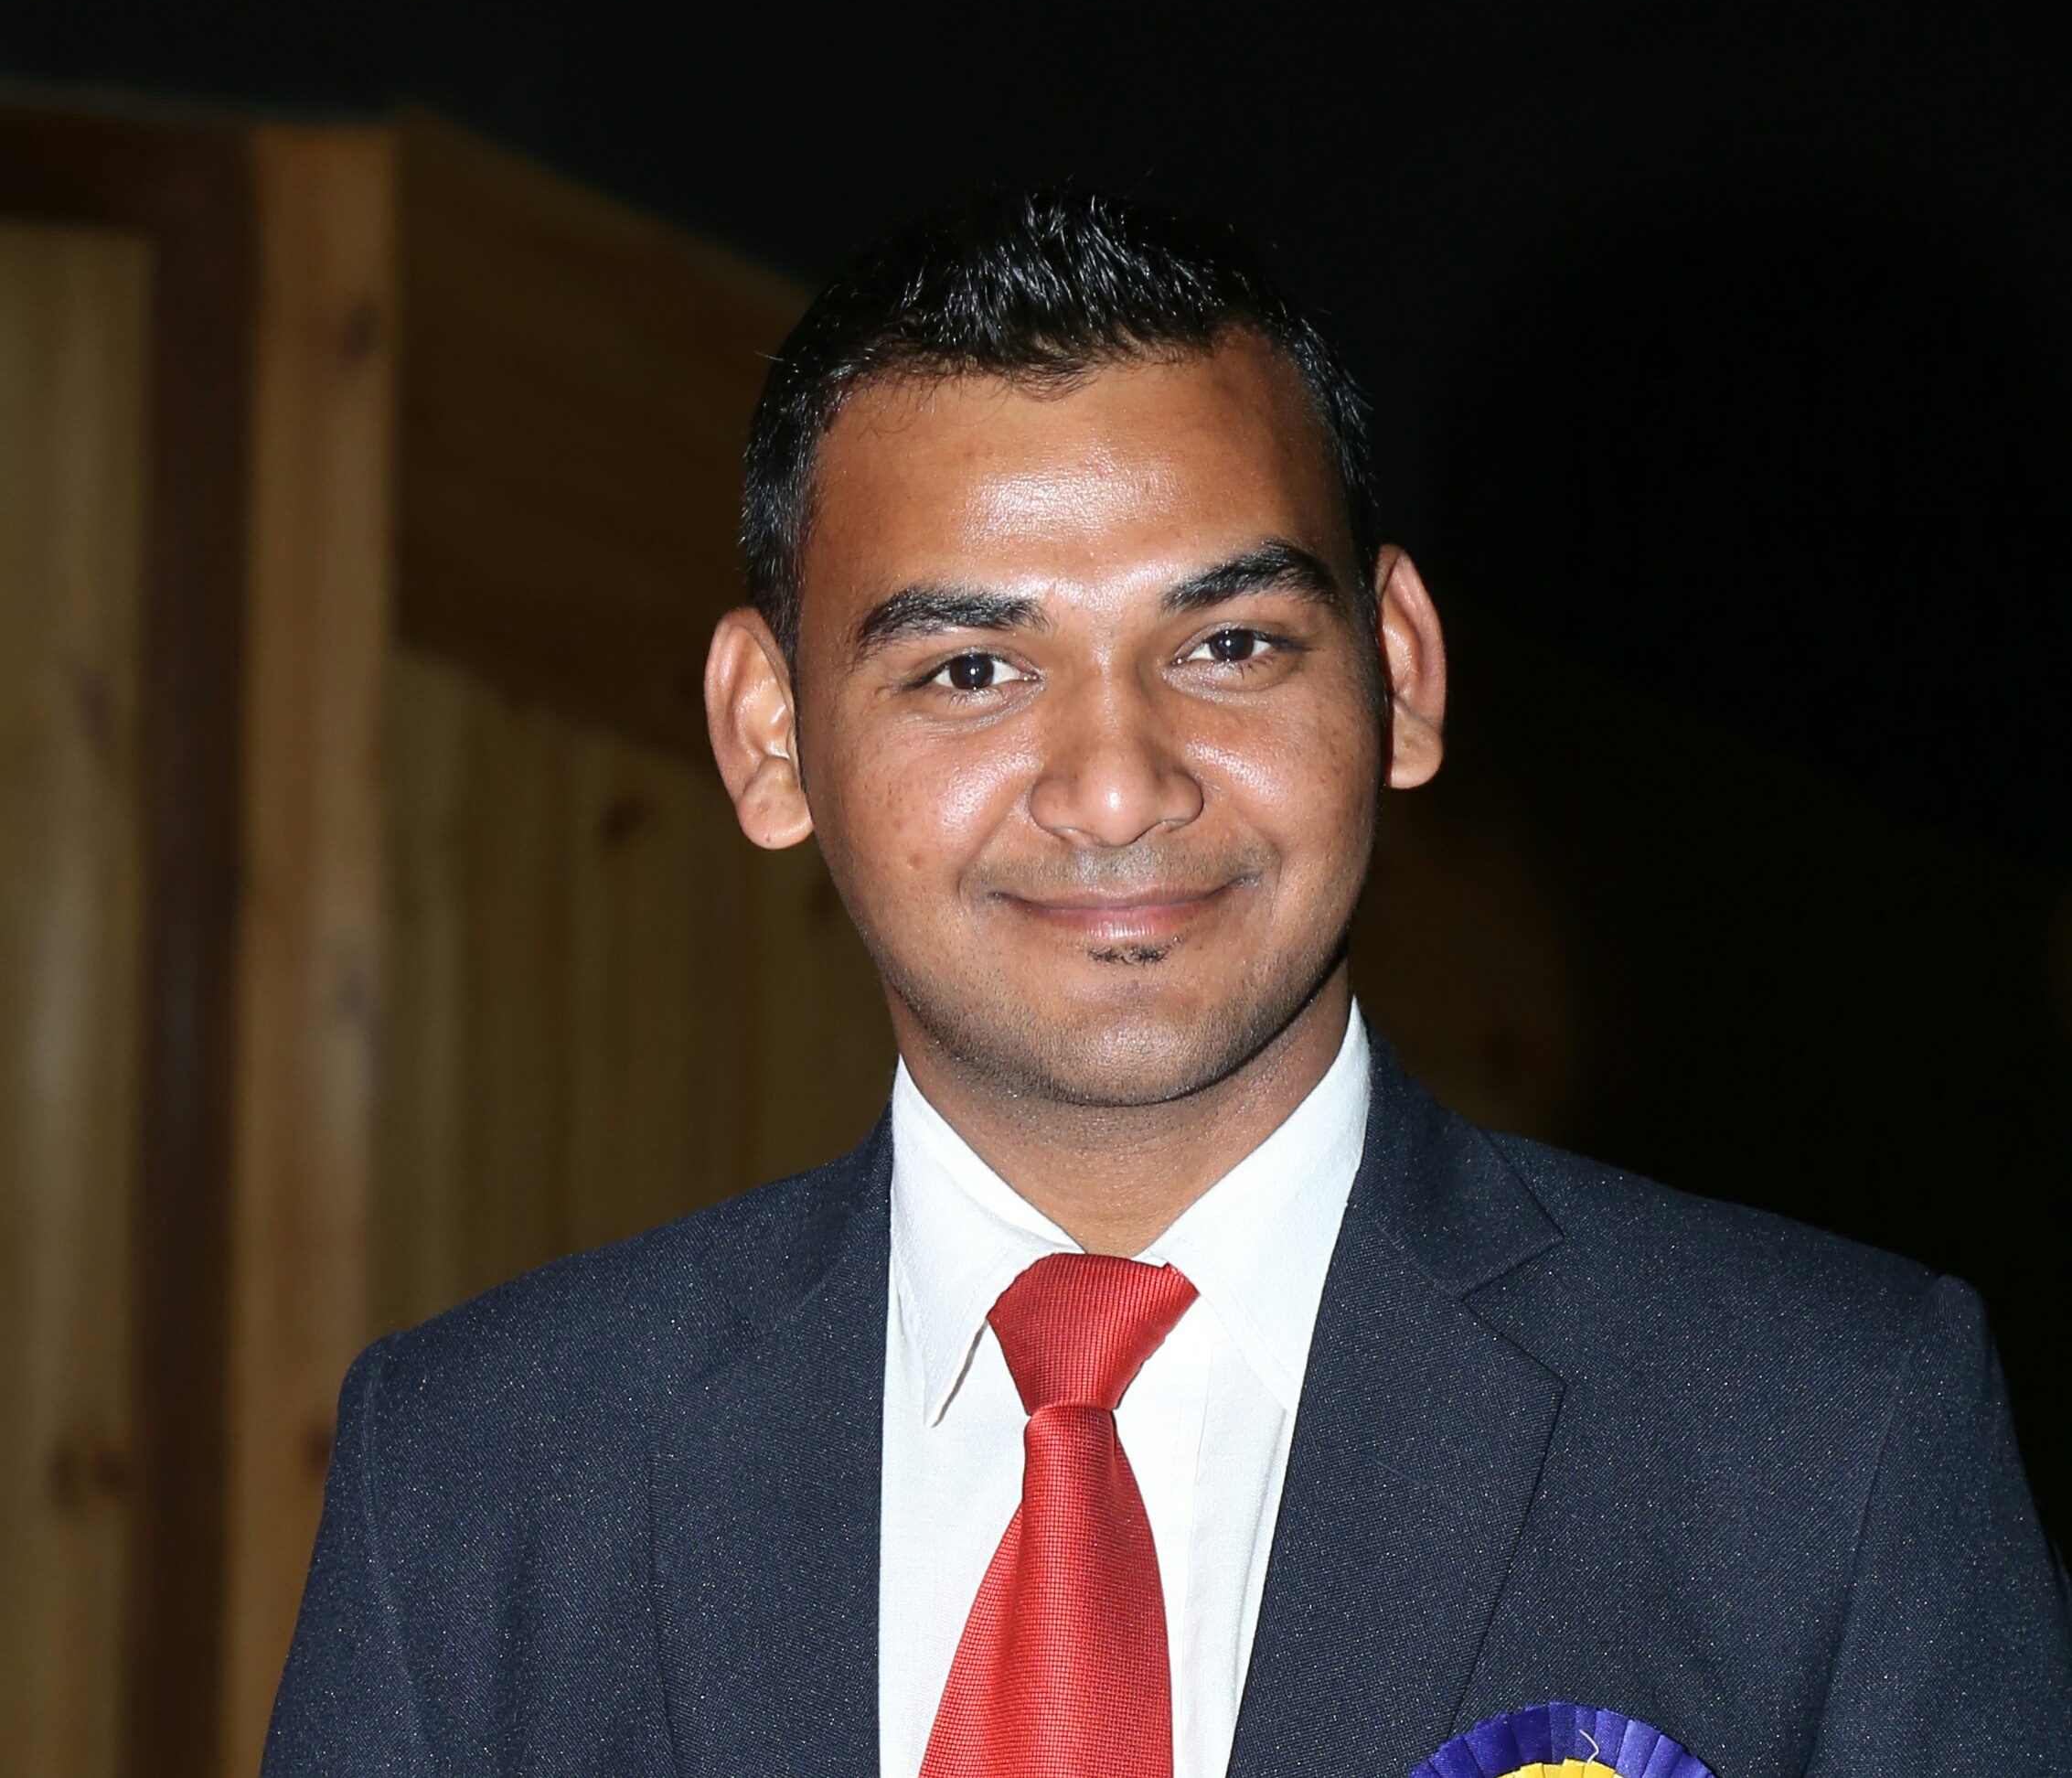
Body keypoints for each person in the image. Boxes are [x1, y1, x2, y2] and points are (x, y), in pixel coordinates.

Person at [265, 189, 2071, 1778]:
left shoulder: (1826, 1440)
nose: (1119, 786)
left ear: (1399, 670)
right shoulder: (479, 1477)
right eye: (971, 670)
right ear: (767, 734)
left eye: (1226, 643)